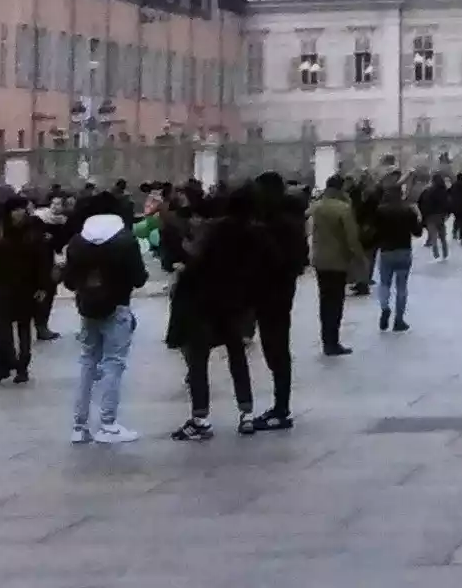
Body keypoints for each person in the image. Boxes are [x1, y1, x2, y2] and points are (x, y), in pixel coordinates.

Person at [166, 188, 263, 441]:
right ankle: (247, 413)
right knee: (237, 356)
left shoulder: (213, 232)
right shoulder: (253, 233)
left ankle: (201, 418)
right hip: (234, 303)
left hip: (204, 301)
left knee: (198, 360)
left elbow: (196, 262)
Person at [63, 203, 148, 445]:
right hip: (118, 307)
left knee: (88, 362)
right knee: (114, 364)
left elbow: (69, 281)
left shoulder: (78, 243)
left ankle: (79, 426)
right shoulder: (125, 242)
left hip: (87, 308)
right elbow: (139, 279)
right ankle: (108, 424)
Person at [241, 173, 305, 434]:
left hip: (272, 294)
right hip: (276, 292)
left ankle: (281, 409)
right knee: (275, 350)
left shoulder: (274, 224)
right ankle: (280, 407)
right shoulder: (286, 221)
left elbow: (279, 260)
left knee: (276, 350)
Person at [0, 207, 48, 385]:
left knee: (18, 328)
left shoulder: (31, 238)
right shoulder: (5, 237)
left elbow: (42, 263)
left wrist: (42, 286)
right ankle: (9, 366)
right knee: (7, 329)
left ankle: (17, 367)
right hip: (9, 289)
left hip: (21, 289)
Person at [307, 178, 365, 355]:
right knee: (336, 302)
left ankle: (326, 340)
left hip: (319, 259)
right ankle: (333, 341)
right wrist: (360, 258)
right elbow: (351, 238)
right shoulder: (343, 209)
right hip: (338, 261)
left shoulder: (316, 207)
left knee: (325, 301)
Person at [367, 179, 421, 332]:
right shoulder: (408, 210)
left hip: (386, 251)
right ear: (401, 194)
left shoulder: (380, 211)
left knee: (384, 284)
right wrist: (417, 218)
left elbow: (374, 232)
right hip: (404, 250)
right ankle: (399, 320)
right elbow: (417, 232)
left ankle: (385, 307)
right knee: (402, 287)